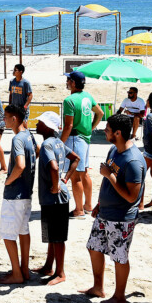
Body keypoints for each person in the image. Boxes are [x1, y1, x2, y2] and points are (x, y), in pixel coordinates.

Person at [81, 114, 145, 303]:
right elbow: (106, 180)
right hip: (105, 212)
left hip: (121, 218)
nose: (104, 131)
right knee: (94, 247)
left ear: (118, 133)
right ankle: (98, 287)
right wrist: (100, 203)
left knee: (119, 257)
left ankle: (119, 296)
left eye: (107, 129)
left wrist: (109, 176)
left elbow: (132, 197)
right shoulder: (114, 149)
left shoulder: (133, 161)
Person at [34, 111, 79, 285]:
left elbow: (53, 168)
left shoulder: (47, 145)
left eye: (40, 122)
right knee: (52, 235)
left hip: (55, 198)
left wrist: (55, 185)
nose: (37, 124)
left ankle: (60, 273)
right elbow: (75, 158)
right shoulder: (58, 142)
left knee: (57, 237)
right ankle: (48, 266)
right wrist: (66, 178)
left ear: (48, 126)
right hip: (57, 198)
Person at [0, 104, 36, 284]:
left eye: (6, 117)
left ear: (14, 119)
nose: (4, 120)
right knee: (23, 231)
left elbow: (20, 165)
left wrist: (9, 180)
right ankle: (24, 269)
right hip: (27, 192)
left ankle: (16, 273)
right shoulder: (29, 135)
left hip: (15, 194)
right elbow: (36, 153)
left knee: (7, 234)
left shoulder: (17, 139)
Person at [60, 71, 104, 218]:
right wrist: (91, 128)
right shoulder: (88, 96)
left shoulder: (69, 100)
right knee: (84, 173)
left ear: (73, 83)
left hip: (74, 139)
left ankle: (79, 209)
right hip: (85, 138)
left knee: (75, 176)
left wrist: (59, 143)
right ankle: (88, 205)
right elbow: (100, 113)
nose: (67, 82)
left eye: (68, 80)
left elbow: (68, 126)